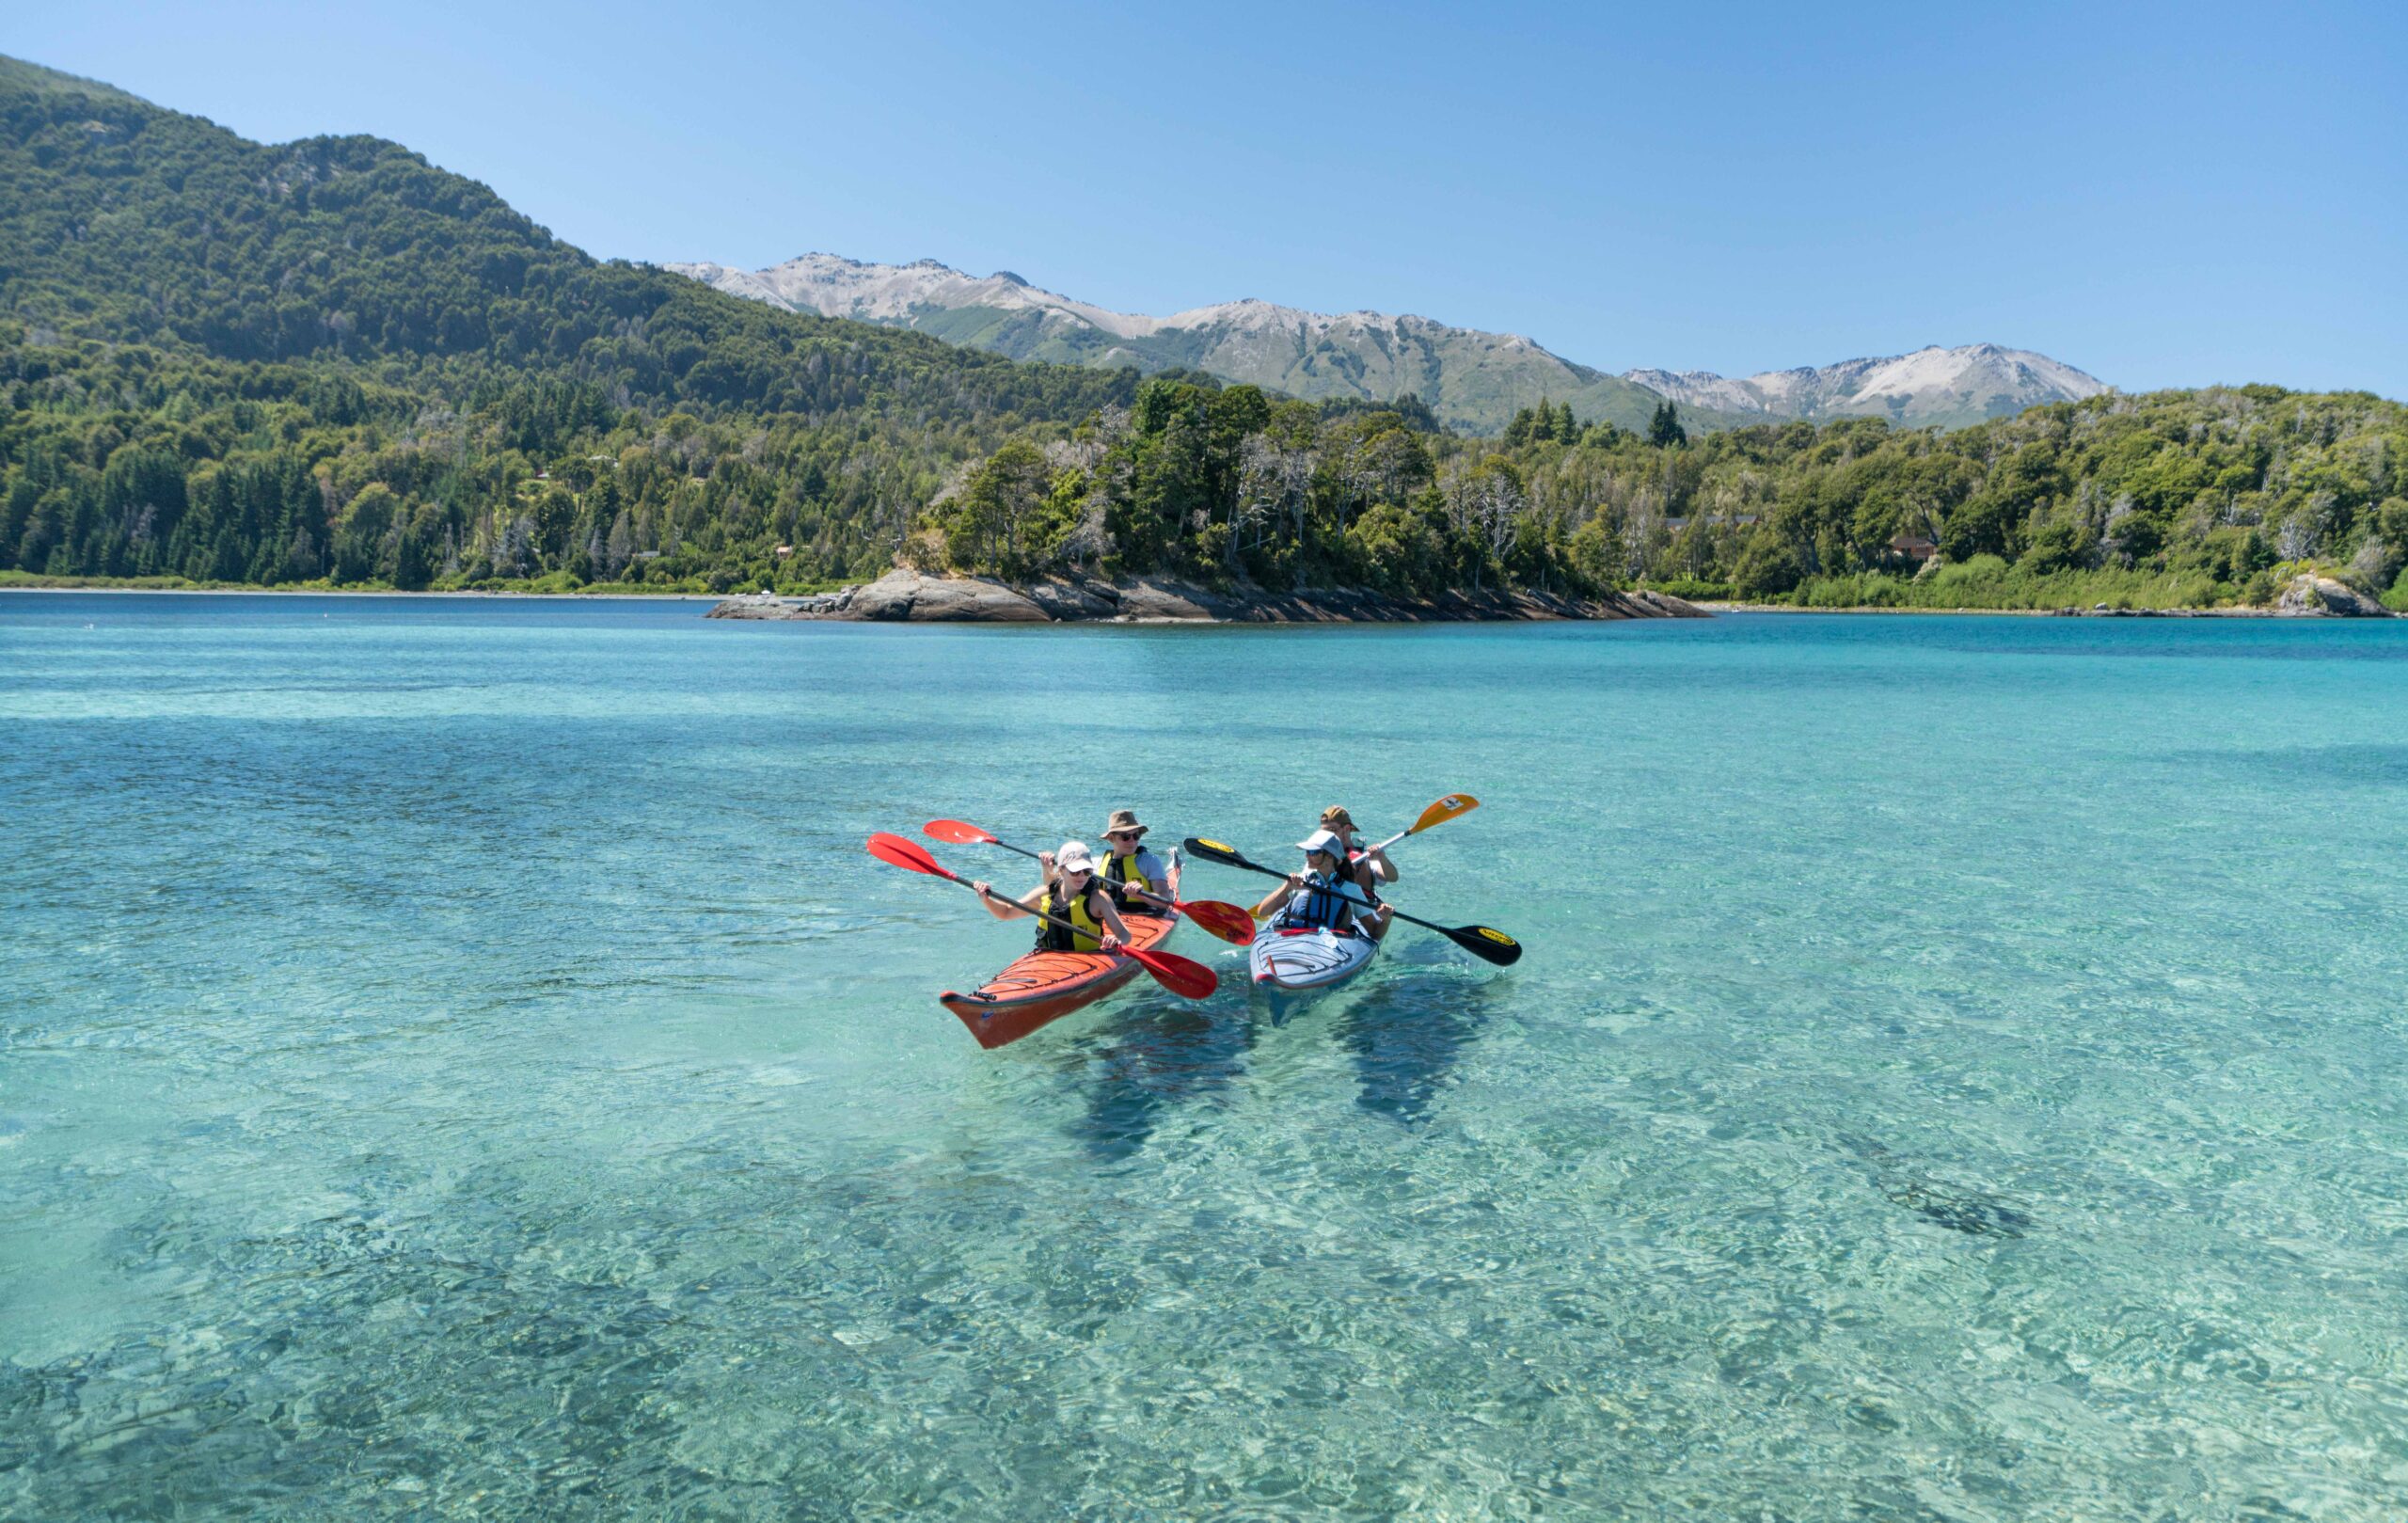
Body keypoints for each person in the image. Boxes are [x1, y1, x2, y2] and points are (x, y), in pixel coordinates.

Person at [974, 841, 1132, 955]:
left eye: (1087, 871)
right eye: (1075, 872)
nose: (1082, 876)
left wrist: (1115, 941)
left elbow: (1125, 935)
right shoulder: (1045, 894)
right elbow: (1006, 913)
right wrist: (986, 899)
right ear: (1061, 870)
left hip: (1089, 960)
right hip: (1048, 960)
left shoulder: (1098, 899)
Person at [1253, 831, 1373, 937]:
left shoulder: (1351, 890)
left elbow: (1375, 932)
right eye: (1307, 851)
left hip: (1333, 949)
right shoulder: (1299, 883)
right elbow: (1263, 912)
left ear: (1329, 856)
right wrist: (1286, 887)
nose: (1307, 855)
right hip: (1297, 942)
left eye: (1313, 852)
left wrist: (1386, 917)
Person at [1316, 806, 1397, 940]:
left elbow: (1392, 877)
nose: (1327, 836)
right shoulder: (1317, 854)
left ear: (1347, 829)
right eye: (1324, 831)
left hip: (1360, 911)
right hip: (1327, 904)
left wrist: (1381, 857)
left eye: (1332, 830)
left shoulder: (1364, 857)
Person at [1097, 809, 1169, 913]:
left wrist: (1142, 895)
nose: (1132, 841)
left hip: (1146, 916)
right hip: (1110, 916)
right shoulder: (1097, 864)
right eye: (1125, 837)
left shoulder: (1150, 862)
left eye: (1136, 836)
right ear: (1111, 838)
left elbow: (1165, 900)